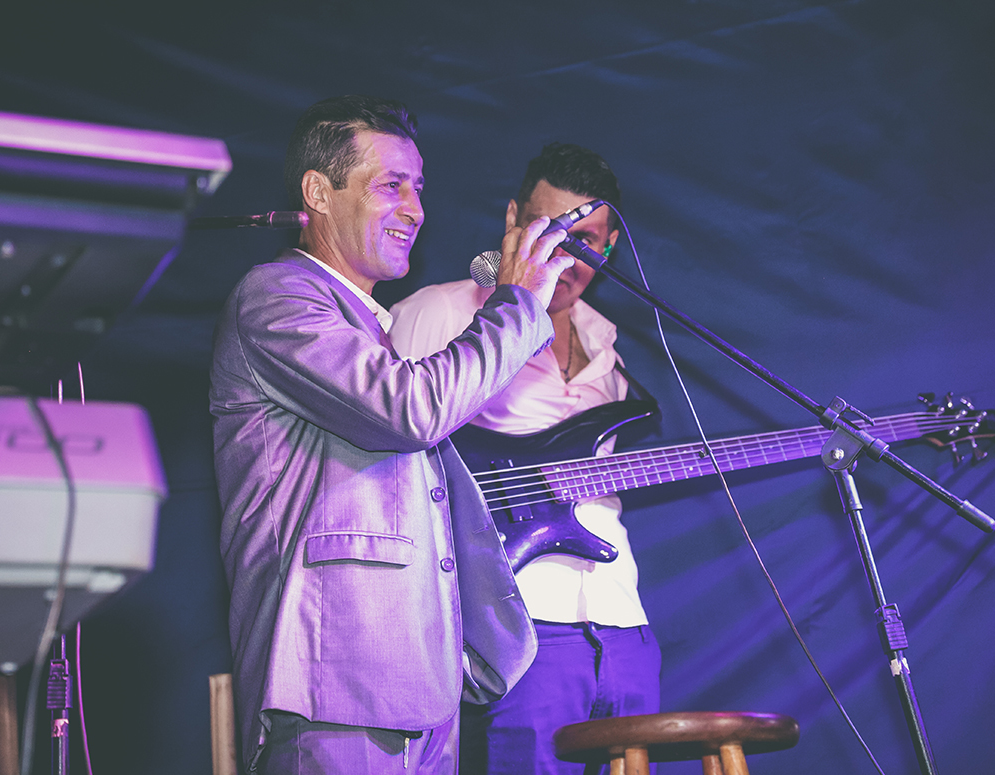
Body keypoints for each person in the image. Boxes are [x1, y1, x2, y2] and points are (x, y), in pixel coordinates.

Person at [209, 96, 577, 775]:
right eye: (391, 185)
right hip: (333, 683)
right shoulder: (277, 297)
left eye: (419, 188)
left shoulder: (370, 327)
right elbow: (412, 410)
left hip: (421, 688)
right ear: (319, 192)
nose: (416, 209)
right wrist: (519, 304)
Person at [389, 143, 661, 775]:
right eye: (548, 230)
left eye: (584, 240)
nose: (563, 256)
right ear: (513, 220)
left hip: (621, 615)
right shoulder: (441, 312)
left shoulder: (607, 345)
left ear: (610, 245)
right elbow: (389, 459)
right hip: (513, 621)